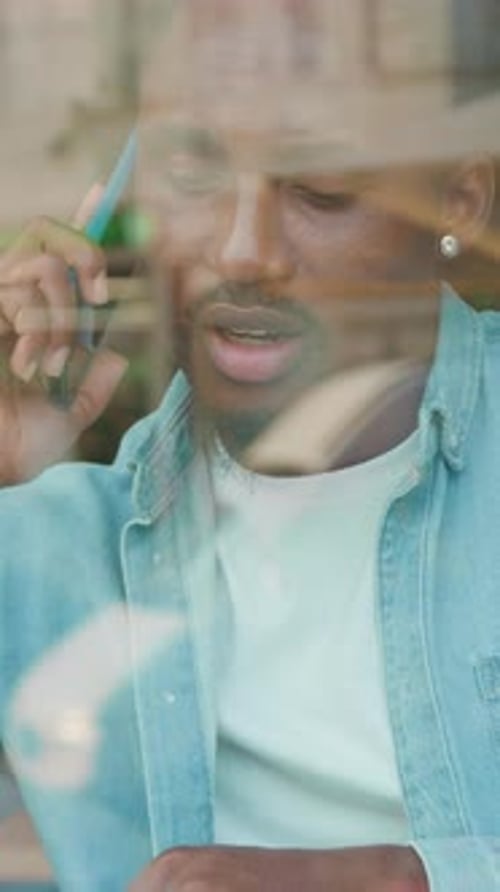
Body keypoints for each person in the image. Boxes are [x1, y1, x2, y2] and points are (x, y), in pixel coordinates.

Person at [1, 1, 500, 889]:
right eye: (192, 171)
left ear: (460, 197)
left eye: (321, 186)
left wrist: (385, 879)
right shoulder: (51, 537)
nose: (242, 249)